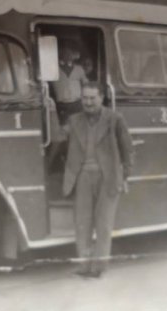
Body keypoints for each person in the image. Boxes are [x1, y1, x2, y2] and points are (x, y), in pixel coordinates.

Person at [63, 82, 134, 278]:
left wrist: (125, 175)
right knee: (82, 223)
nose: (88, 102)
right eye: (84, 98)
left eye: (92, 98)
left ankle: (98, 267)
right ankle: (84, 265)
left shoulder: (115, 119)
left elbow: (127, 149)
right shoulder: (74, 120)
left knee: (103, 223)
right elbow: (61, 141)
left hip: (108, 176)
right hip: (82, 176)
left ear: (101, 98)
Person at [51, 40, 88, 125]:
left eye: (69, 54)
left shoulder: (79, 69)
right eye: (64, 53)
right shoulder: (53, 69)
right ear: (60, 55)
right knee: (64, 126)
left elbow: (86, 84)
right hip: (62, 105)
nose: (67, 56)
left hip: (77, 104)